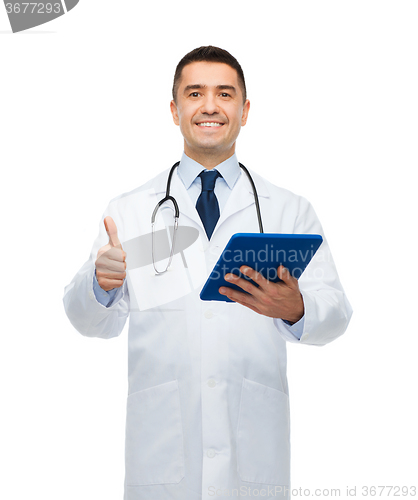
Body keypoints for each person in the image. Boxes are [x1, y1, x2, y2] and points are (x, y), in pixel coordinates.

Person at [63, 46, 352, 500]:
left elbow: (336, 313)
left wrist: (297, 308)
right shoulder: (132, 211)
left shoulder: (289, 210)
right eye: (195, 93)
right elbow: (87, 321)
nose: (211, 106)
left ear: (245, 109)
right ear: (175, 110)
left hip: (253, 452)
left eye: (225, 93)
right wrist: (100, 284)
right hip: (162, 455)